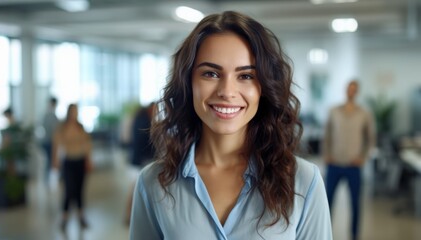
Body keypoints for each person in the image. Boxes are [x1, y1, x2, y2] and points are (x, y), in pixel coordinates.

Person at [129, 11, 332, 239]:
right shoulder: (153, 182)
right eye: (211, 73)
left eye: (245, 76)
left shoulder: (304, 181)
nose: (226, 92)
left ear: (264, 88)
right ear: (188, 83)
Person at [323, 80, 376, 240]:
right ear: (345, 90)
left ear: (357, 92)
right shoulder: (334, 111)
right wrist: (326, 154)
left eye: (354, 90)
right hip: (334, 164)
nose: (351, 92)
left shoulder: (365, 113)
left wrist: (363, 157)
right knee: (327, 203)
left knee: (355, 204)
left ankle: (354, 235)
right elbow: (327, 135)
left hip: (354, 166)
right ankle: (325, 234)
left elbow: (370, 138)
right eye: (349, 89)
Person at [52, 104, 93, 232]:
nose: (75, 114)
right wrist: (55, 160)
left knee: (80, 190)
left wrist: (88, 159)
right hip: (68, 162)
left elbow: (87, 144)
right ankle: (64, 217)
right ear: (69, 112)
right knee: (69, 190)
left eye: (76, 111)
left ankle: (81, 216)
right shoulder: (63, 128)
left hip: (80, 161)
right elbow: (56, 144)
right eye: (73, 111)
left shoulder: (80, 127)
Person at [124, 102, 156, 225]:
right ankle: (128, 215)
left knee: (135, 187)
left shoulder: (140, 119)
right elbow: (146, 141)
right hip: (141, 160)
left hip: (138, 159)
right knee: (135, 187)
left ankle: (129, 215)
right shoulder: (144, 121)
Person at [42, 97, 60, 183]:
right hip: (49, 141)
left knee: (51, 160)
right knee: (50, 160)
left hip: (50, 141)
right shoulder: (50, 116)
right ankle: (48, 180)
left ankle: (49, 179)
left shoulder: (49, 115)